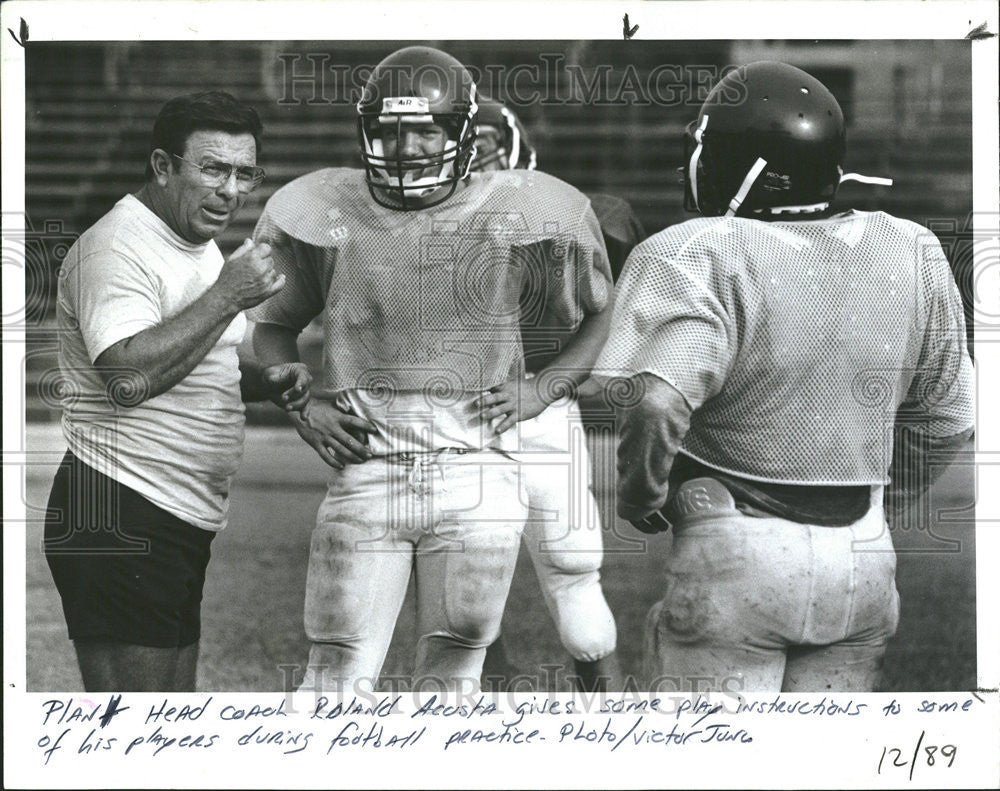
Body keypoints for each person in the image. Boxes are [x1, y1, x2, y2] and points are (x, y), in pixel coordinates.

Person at [594, 62, 974, 692]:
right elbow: (948, 420)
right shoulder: (910, 246)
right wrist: (881, 506)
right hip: (864, 556)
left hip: (737, 545)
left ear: (739, 166)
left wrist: (641, 498)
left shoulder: (697, 249)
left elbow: (656, 401)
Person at [250, 46, 614, 694]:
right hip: (367, 468)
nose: (407, 146)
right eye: (391, 129)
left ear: (462, 136)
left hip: (477, 468)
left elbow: (599, 317)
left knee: (453, 679)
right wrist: (301, 403)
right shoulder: (328, 212)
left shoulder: (518, 210)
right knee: (331, 678)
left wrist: (542, 388)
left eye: (427, 128)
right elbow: (272, 327)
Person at [44, 91, 310, 692]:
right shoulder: (117, 246)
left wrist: (264, 381)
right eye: (213, 169)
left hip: (171, 512)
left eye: (245, 173)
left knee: (167, 717)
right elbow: (129, 377)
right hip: (120, 504)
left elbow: (198, 359)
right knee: (132, 736)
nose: (231, 190)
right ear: (163, 166)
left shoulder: (195, 242)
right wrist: (228, 295)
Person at [471, 96, 647, 691]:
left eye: (486, 150)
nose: (474, 164)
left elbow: (610, 312)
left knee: (577, 581)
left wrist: (545, 386)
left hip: (541, 412)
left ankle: (610, 731)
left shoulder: (571, 215)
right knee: (464, 590)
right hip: (452, 415)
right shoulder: (406, 223)